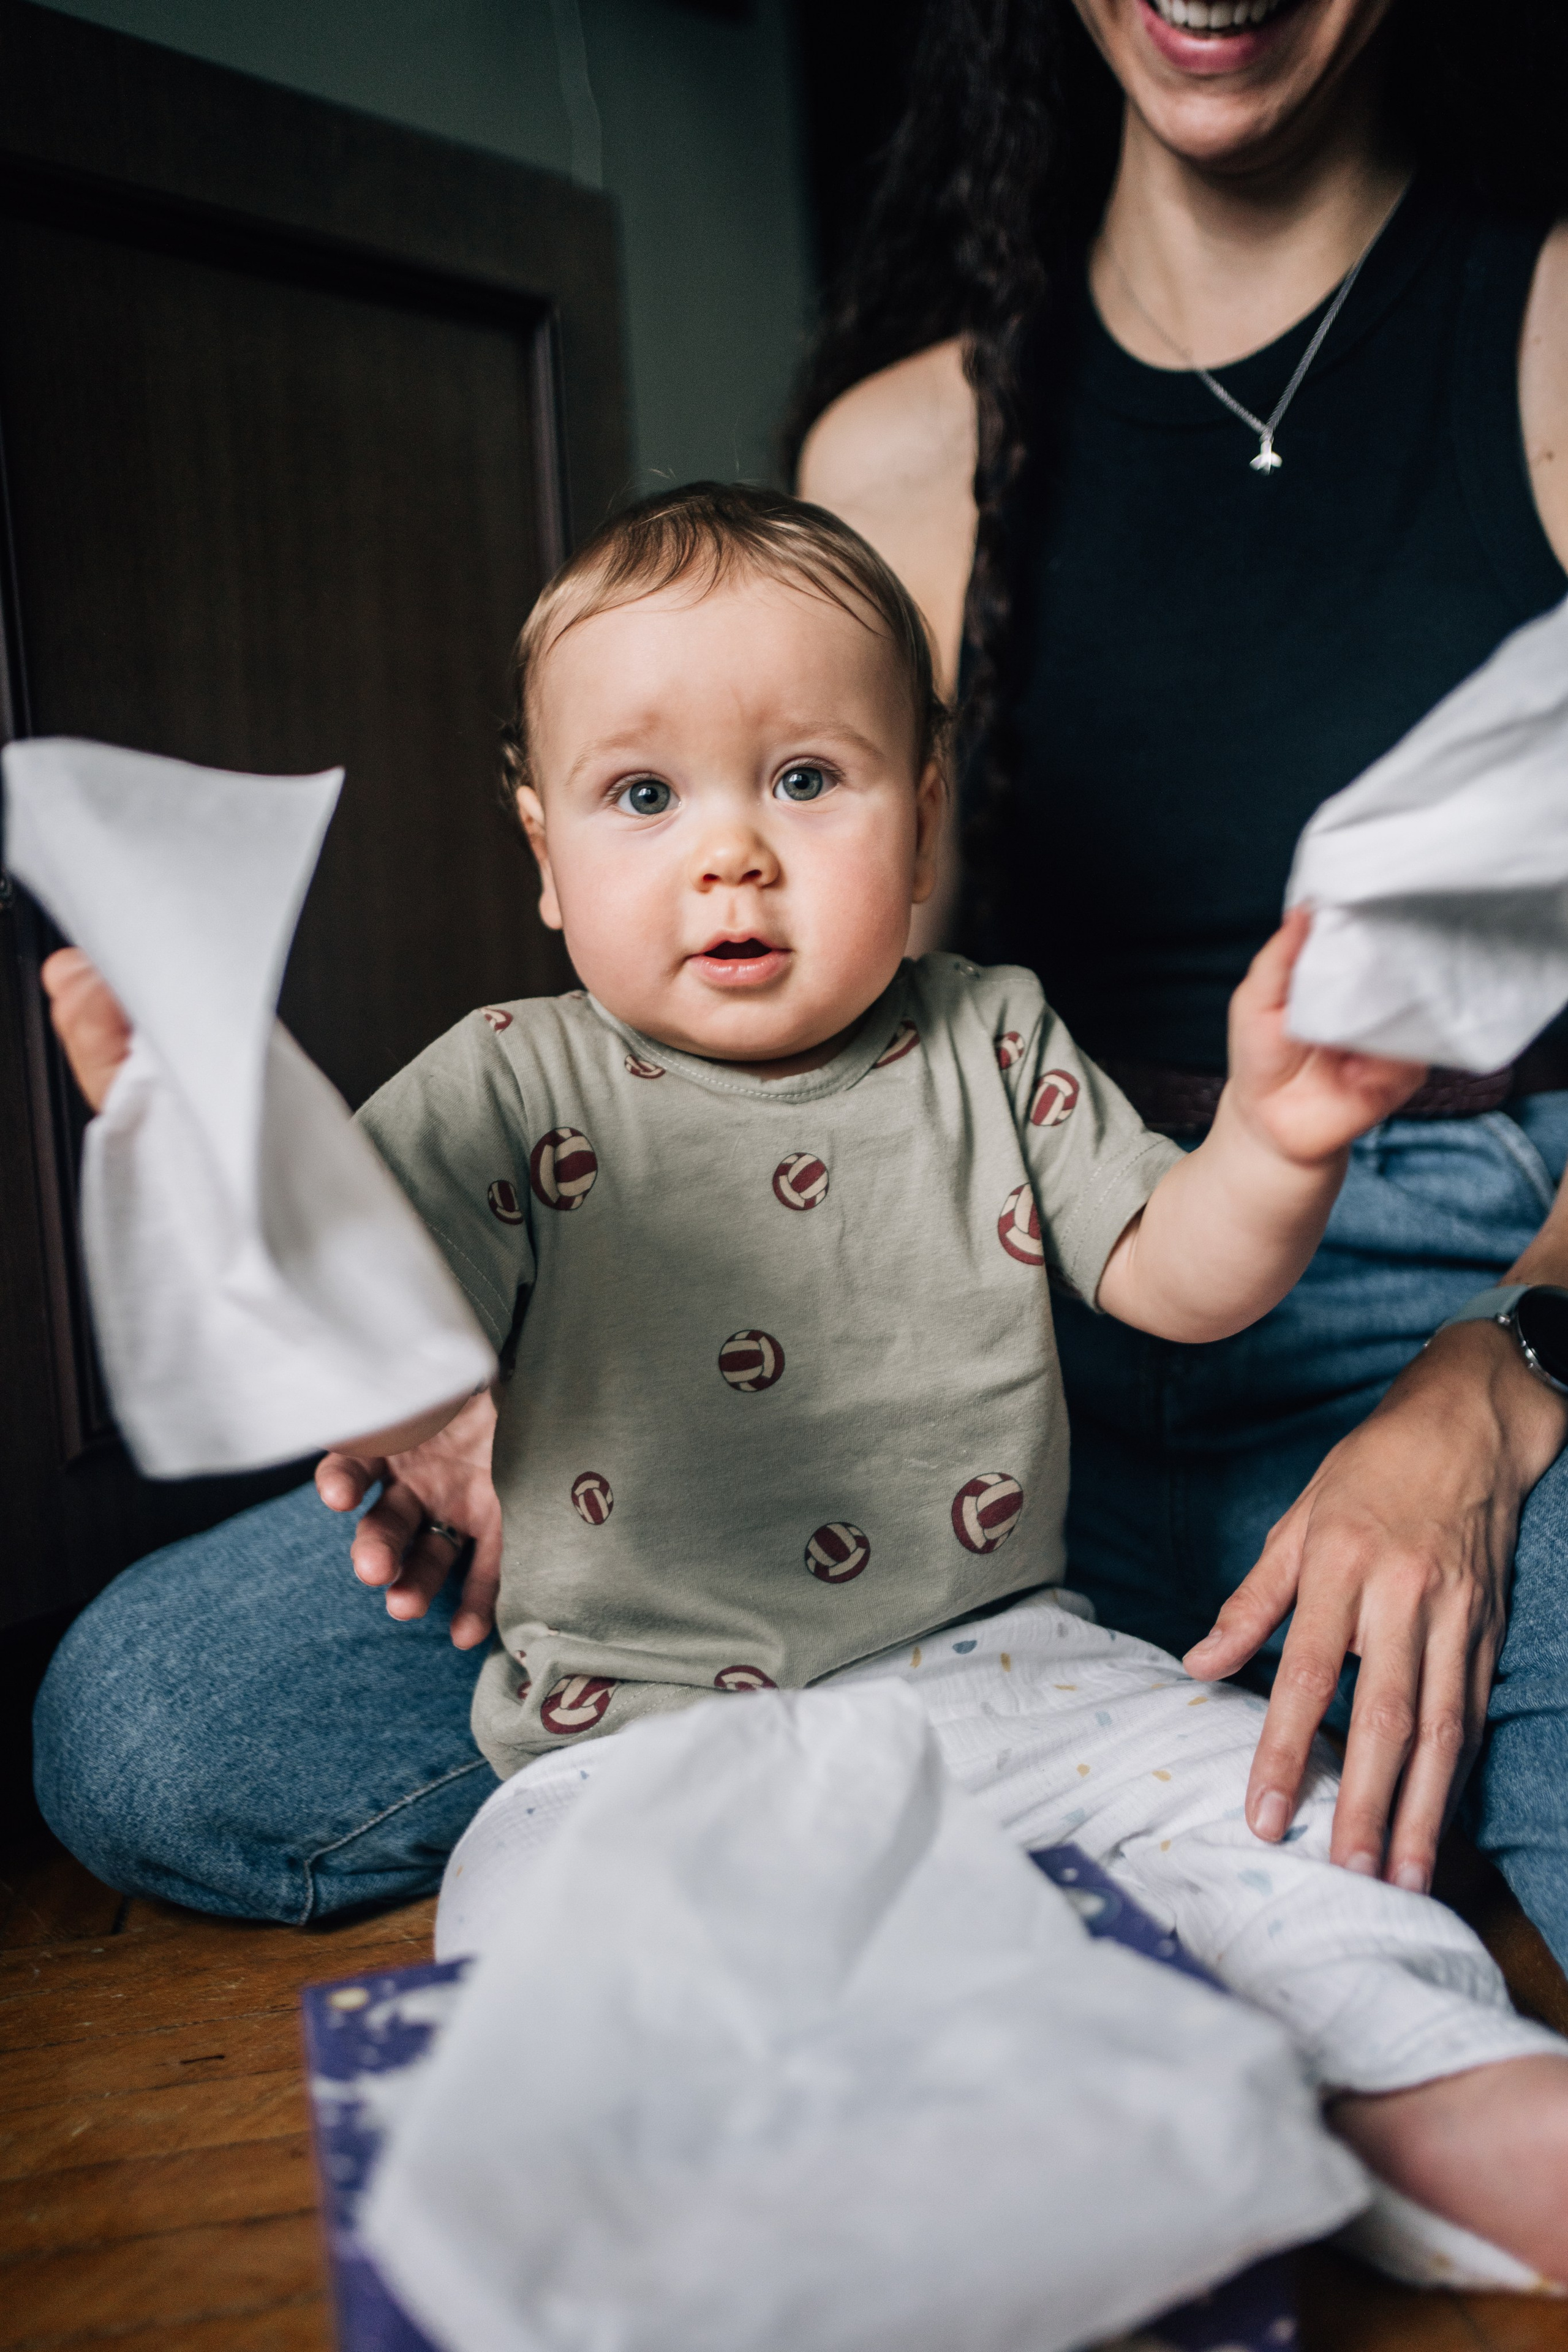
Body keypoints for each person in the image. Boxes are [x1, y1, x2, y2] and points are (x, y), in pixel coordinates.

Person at [37, 483, 1568, 2276]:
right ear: (542, 854)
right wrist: (226, 1141)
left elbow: (1175, 1279)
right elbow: (355, 1310)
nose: (731, 854)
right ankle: (859, 2169)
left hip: (1018, 1670)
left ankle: (1413, 2080)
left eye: (806, 780)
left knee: (1271, 1822)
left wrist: (1277, 1142)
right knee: (552, 1956)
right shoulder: (509, 1086)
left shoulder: (989, 1035)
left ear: (922, 822)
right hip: (633, 1752)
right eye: (642, 796)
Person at [789, 0, 1568, 1959]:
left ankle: (1231, 1766)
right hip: (1006, 1299)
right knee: (165, 1730)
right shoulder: (894, 454)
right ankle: (1219, 1768)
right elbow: (804, 1051)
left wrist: (1499, 1390)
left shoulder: (1552, 333)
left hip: (1483, 1273)